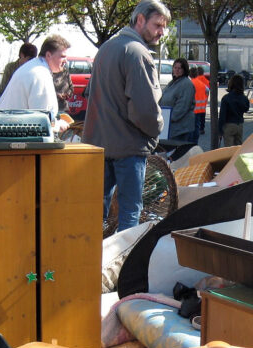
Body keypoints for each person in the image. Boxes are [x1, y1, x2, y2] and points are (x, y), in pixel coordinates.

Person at [82, 0, 170, 232]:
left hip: (100, 144)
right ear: (140, 20)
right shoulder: (136, 52)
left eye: (163, 27)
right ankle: (122, 264)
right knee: (130, 211)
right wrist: (155, 133)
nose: (162, 32)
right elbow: (144, 110)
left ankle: (88, 260)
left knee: (93, 210)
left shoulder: (107, 48)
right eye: (157, 25)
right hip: (128, 147)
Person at [0, 35, 71, 132]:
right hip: (13, 135)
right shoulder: (40, 74)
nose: (66, 61)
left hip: (8, 130)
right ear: (48, 55)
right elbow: (40, 118)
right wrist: (57, 125)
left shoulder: (34, 67)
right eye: (62, 56)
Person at [159, 58, 195, 142]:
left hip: (180, 129)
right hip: (171, 127)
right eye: (175, 67)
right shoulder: (173, 82)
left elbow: (182, 107)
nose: (177, 70)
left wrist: (166, 118)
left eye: (179, 68)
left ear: (184, 70)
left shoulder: (186, 84)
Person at [218, 74, 249, 147]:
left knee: (229, 151)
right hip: (239, 125)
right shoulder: (244, 98)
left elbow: (222, 116)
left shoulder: (226, 98)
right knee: (238, 149)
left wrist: (220, 131)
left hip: (229, 125)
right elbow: (246, 108)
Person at [190, 66, 208, 144]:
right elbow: (207, 91)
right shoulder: (201, 83)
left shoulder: (190, 83)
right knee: (197, 126)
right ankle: (195, 143)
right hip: (201, 108)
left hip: (192, 109)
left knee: (191, 127)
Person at [52, 49, 74, 115]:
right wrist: (57, 95)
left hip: (64, 107)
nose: (64, 62)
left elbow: (71, 88)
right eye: (62, 58)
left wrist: (67, 94)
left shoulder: (65, 72)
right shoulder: (48, 72)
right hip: (53, 108)